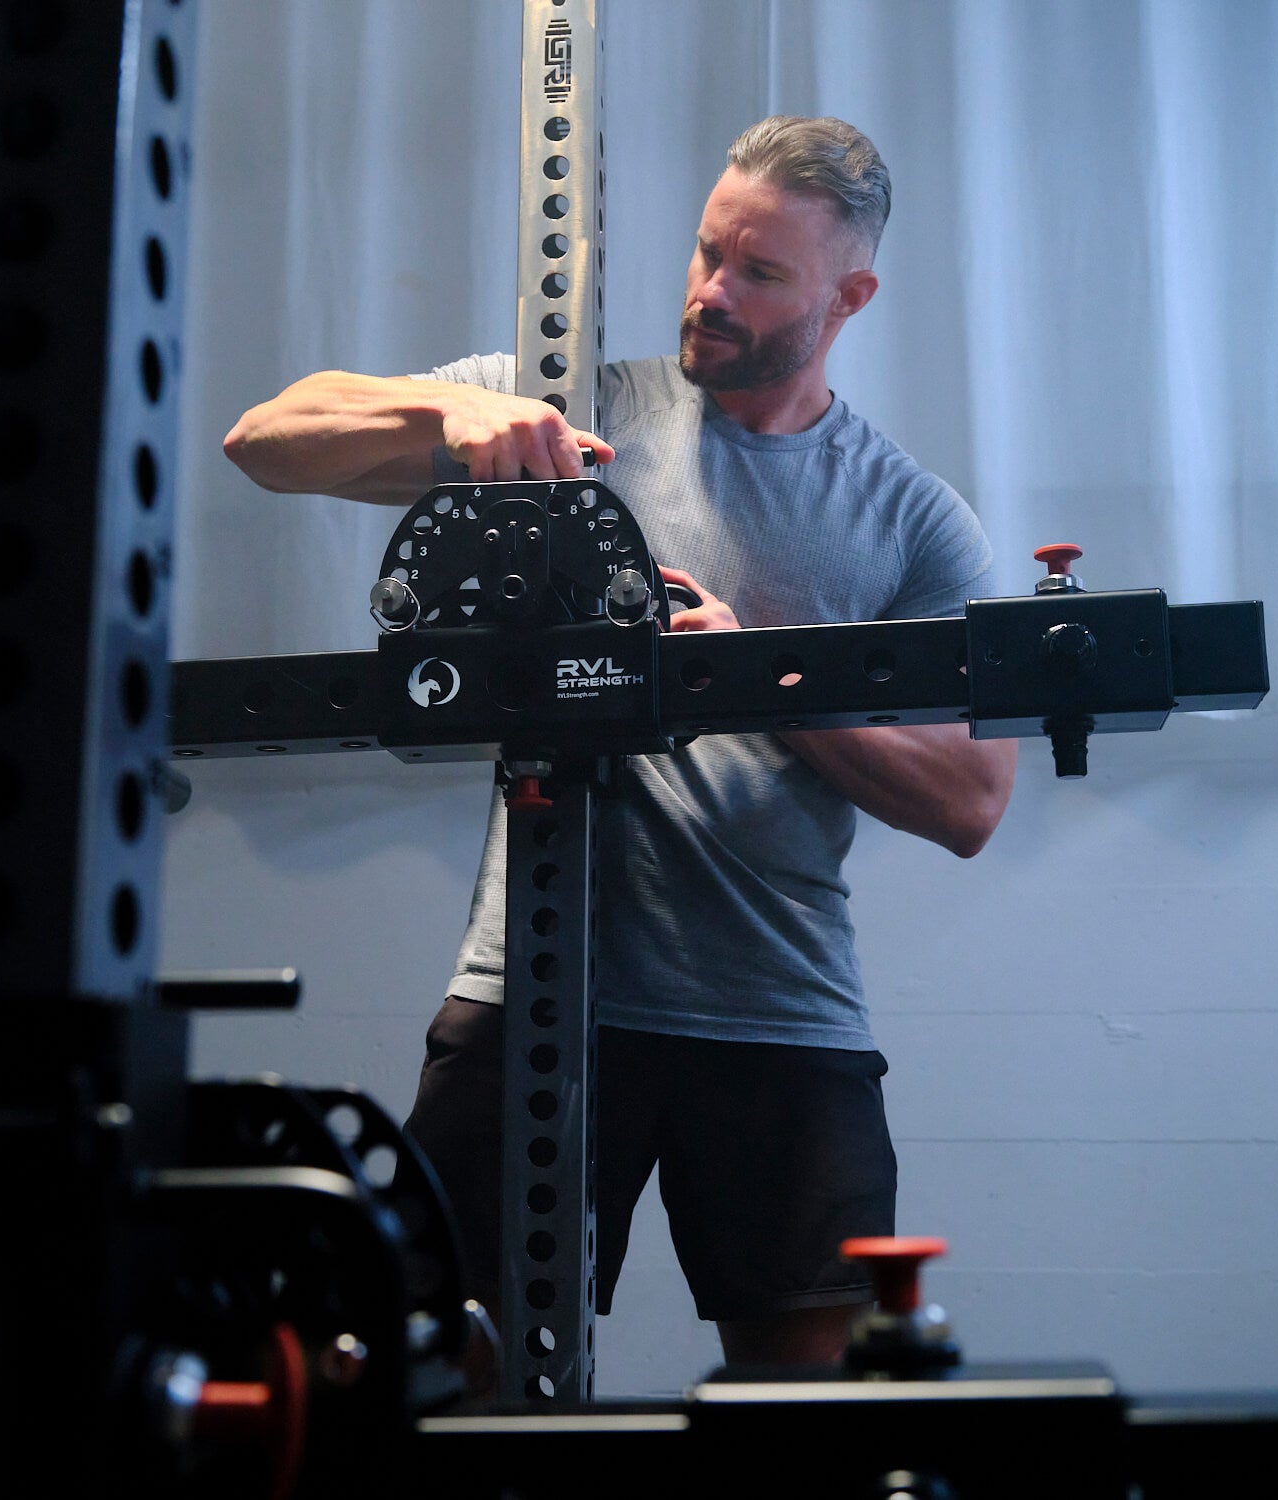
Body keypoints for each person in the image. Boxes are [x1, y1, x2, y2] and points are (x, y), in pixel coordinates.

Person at [223, 116, 1016, 1367]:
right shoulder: (570, 405)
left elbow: (973, 798)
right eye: (708, 252)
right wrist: (453, 419)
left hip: (774, 1005)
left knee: (819, 1406)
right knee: (447, 1376)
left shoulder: (907, 513)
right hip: (530, 977)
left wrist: (758, 676)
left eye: (758, 275)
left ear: (847, 296)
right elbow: (266, 438)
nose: (710, 292)